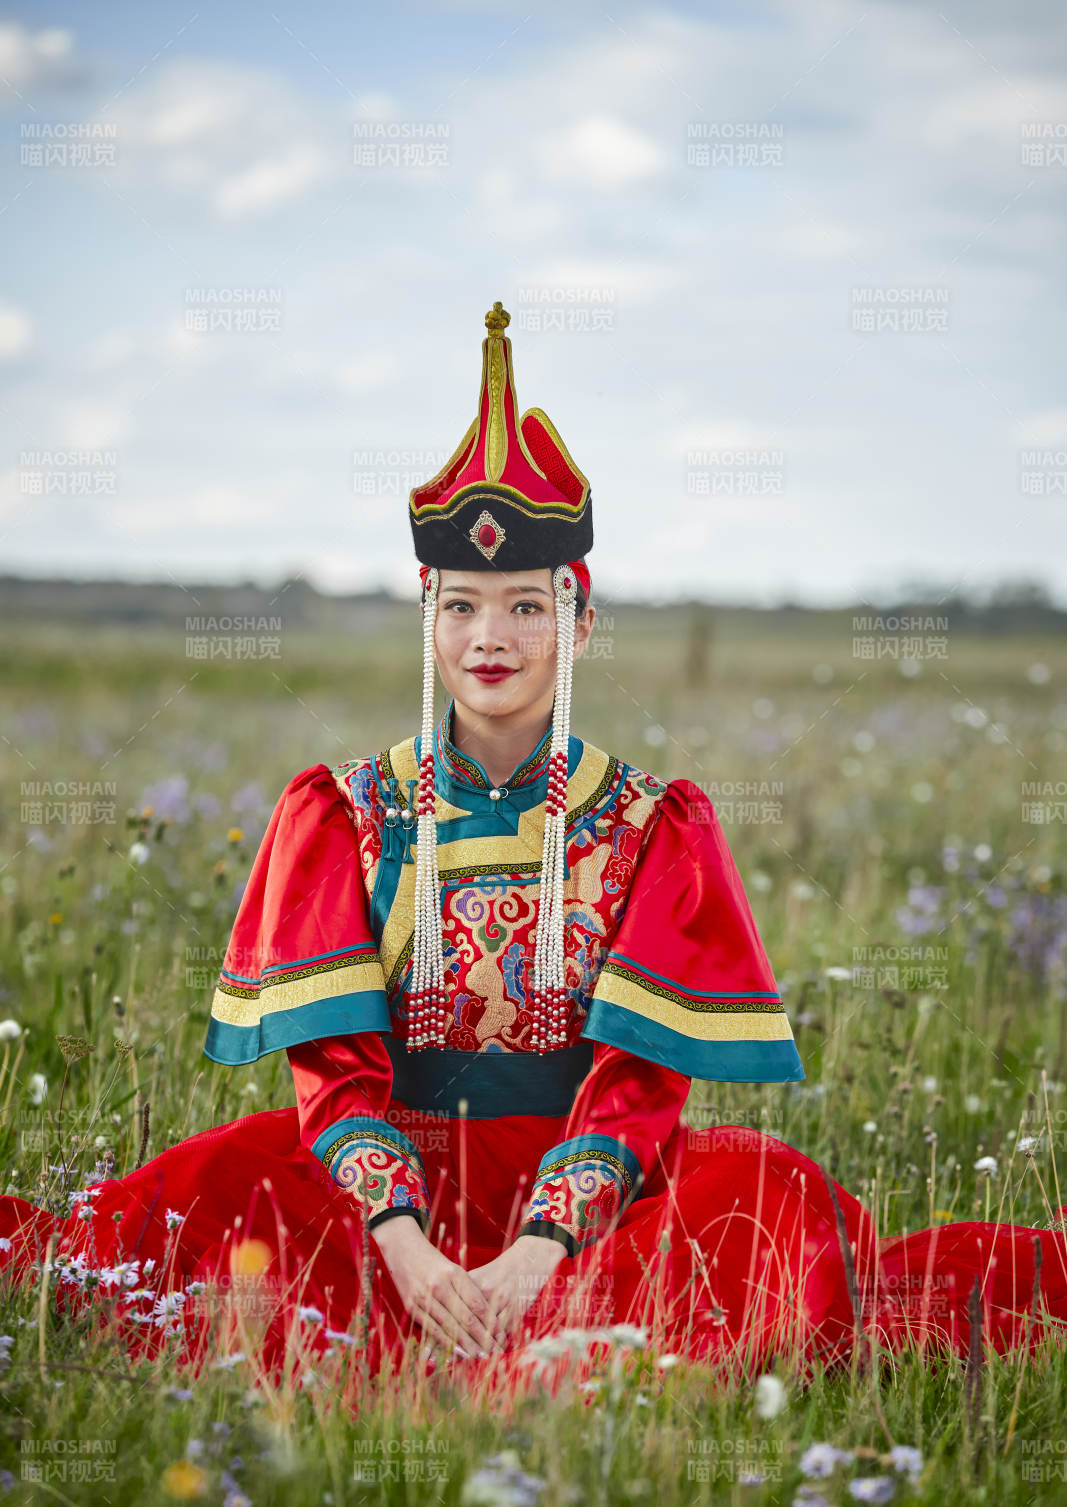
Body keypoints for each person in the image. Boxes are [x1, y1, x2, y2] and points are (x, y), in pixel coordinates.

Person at [1, 302, 1064, 1387]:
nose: (490, 639)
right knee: (186, 1217)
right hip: (387, 1191)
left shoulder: (653, 825)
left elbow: (636, 1083)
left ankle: (549, 1332)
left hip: (590, 1189)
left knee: (767, 1206)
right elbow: (334, 1071)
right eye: (461, 606)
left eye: (524, 606)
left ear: (580, 620)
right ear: (429, 618)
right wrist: (406, 1246)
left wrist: (532, 1251)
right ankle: (435, 1326)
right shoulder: (348, 811)